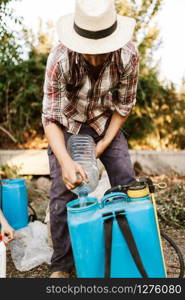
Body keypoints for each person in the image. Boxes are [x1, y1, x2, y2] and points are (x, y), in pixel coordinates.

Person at [42, 0, 139, 278]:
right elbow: (50, 118)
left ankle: (128, 249)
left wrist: (104, 144)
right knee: (63, 189)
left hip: (106, 122)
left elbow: (124, 107)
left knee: (125, 181)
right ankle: (61, 263)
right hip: (68, 124)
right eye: (89, 52)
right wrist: (65, 161)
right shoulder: (59, 59)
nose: (95, 59)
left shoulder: (129, 55)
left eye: (102, 51)